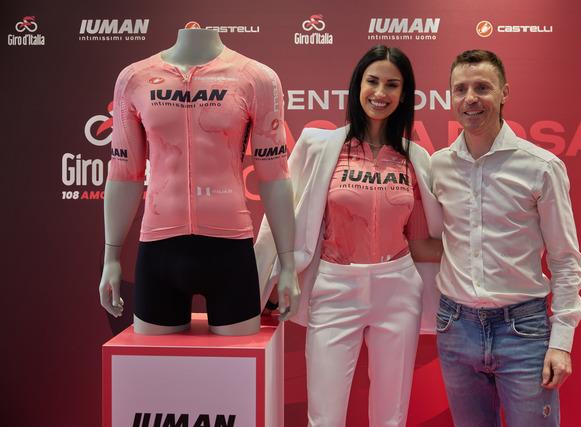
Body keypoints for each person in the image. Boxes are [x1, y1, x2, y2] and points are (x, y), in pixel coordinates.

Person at [255, 45, 443, 427]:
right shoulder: (319, 145)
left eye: (392, 84)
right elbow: (284, 214)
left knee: (391, 417)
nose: (380, 93)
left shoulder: (417, 158)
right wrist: (273, 273)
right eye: (372, 81)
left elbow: (421, 238)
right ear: (358, 85)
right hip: (335, 285)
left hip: (397, 287)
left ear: (404, 94)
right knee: (324, 417)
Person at [98, 27, 300, 335]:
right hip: (159, 254)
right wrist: (111, 257)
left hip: (231, 253)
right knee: (157, 364)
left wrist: (288, 264)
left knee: (238, 365)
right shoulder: (135, 78)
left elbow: (274, 176)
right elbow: (124, 173)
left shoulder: (256, 78)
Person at [430, 49, 581, 426]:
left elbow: (565, 259)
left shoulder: (540, 167)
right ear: (450, 97)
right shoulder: (437, 166)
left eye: (482, 88)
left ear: (504, 93)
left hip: (524, 331)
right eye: (460, 89)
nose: (470, 98)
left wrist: (561, 342)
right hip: (456, 328)